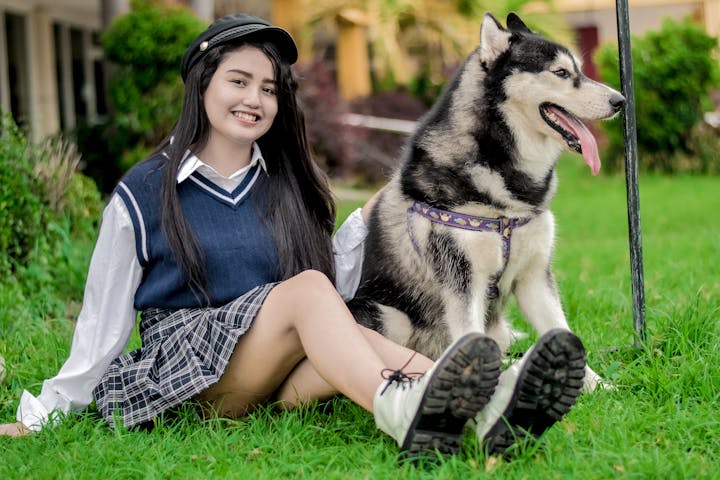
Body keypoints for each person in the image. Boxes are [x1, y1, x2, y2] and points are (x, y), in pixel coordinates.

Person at [0, 14, 505, 460]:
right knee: (308, 292)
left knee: (353, 333)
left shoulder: (285, 185)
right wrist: (48, 412)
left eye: (268, 88)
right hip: (188, 379)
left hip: (269, 376)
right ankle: (404, 411)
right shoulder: (145, 191)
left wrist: (391, 203)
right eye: (238, 81)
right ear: (201, 85)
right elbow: (100, 322)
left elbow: (327, 289)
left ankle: (487, 401)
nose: (254, 99)